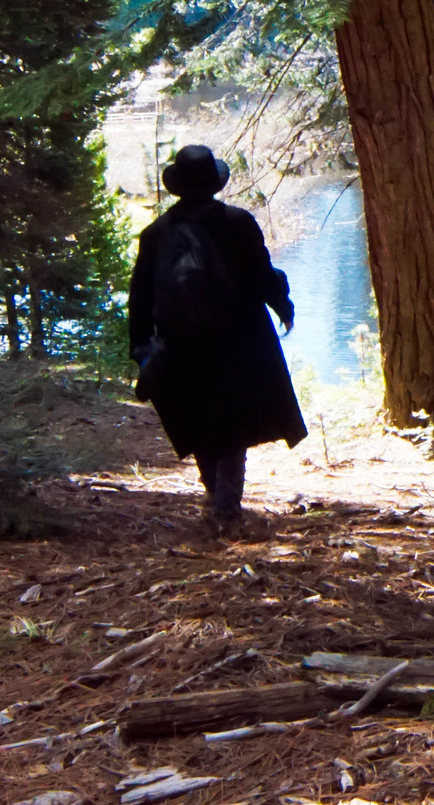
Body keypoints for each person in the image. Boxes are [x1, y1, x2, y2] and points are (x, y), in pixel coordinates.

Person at [127, 145, 307, 538]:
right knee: (233, 424)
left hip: (179, 344)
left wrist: (141, 348)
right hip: (238, 340)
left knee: (200, 419)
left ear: (177, 186)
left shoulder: (155, 234)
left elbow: (140, 297)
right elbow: (261, 275)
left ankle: (217, 498)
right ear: (214, 184)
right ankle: (226, 505)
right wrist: (284, 306)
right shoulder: (237, 222)